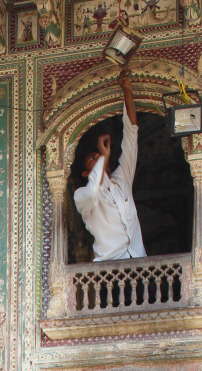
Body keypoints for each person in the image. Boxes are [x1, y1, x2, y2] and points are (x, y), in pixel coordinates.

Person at [72, 69, 146, 261]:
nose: (98, 158)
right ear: (86, 172)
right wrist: (103, 157)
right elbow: (92, 193)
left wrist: (127, 90)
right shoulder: (81, 196)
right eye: (92, 158)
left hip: (138, 264)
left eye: (100, 156)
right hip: (110, 276)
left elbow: (131, 137)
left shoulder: (121, 181)